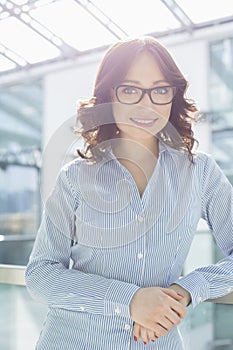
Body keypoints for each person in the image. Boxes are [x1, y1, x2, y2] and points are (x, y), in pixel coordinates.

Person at [25, 36, 233, 350]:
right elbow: (41, 274)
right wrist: (128, 301)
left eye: (160, 90)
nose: (146, 104)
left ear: (173, 96)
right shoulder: (75, 178)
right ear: (108, 95)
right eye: (130, 89)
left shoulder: (200, 172)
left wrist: (186, 290)